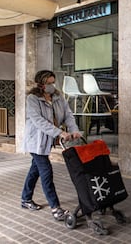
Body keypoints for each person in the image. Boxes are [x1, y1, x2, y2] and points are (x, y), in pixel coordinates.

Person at [20, 70, 81, 221]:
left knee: (35, 170)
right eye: (48, 83)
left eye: (53, 82)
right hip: (36, 141)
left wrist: (74, 130)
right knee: (46, 172)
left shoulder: (58, 97)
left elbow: (68, 115)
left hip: (47, 140)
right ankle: (56, 208)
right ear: (40, 84)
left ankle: (25, 199)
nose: (51, 86)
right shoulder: (32, 99)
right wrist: (60, 133)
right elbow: (39, 121)